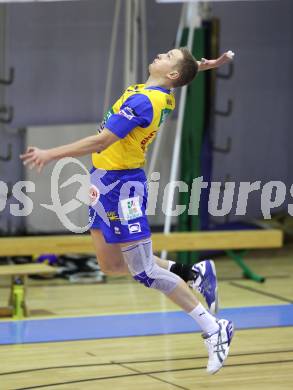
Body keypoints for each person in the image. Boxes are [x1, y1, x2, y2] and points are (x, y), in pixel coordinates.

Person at [20, 47, 235, 375]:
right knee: (111, 263)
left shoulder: (144, 102)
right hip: (101, 181)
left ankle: (212, 328)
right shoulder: (157, 92)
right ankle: (193, 274)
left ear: (173, 75)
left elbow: (101, 141)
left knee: (144, 271)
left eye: (169, 56)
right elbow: (179, 76)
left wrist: (51, 154)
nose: (162, 53)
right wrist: (204, 65)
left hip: (123, 187)